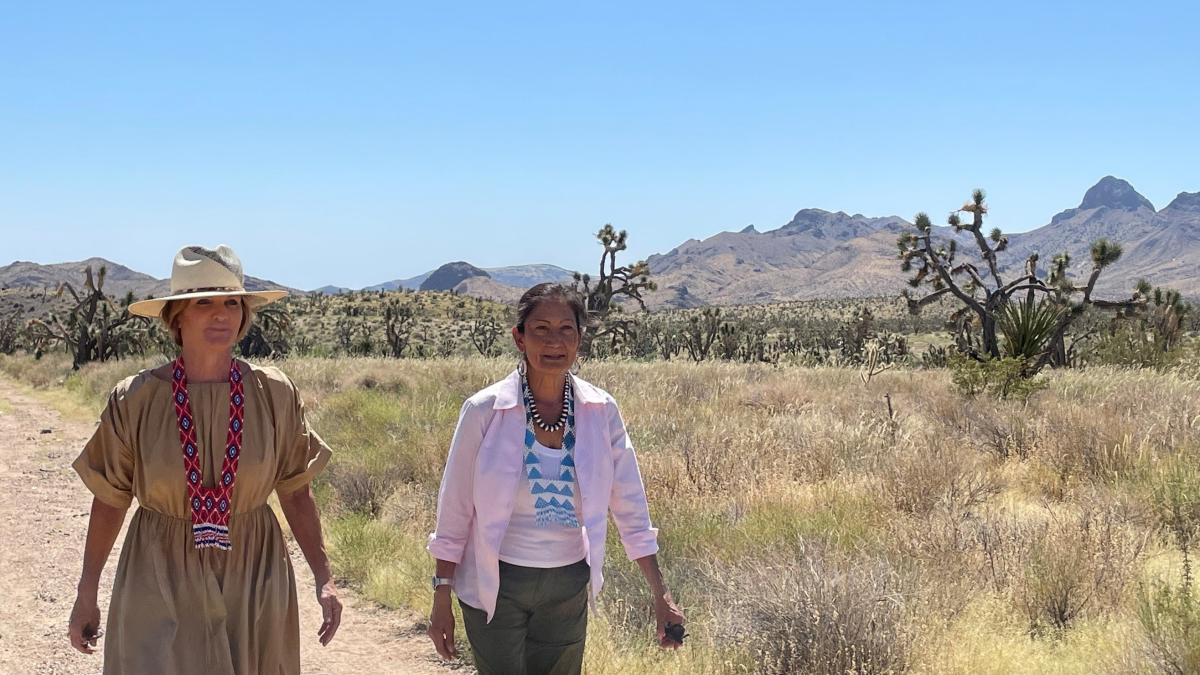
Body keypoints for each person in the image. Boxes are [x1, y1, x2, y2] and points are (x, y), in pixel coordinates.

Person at [67, 244, 341, 674]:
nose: (222, 314)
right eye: (204, 302)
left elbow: (296, 491)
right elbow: (109, 500)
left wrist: (324, 578)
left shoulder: (275, 394)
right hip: (159, 572)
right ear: (178, 318)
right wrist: (87, 591)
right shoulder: (135, 399)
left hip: (254, 573)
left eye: (232, 302)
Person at [426, 283, 685, 674]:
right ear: (519, 337)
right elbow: (455, 510)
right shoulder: (484, 411)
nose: (554, 341)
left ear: (580, 339)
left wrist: (660, 593)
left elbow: (630, 504)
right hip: (496, 583)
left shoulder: (600, 411)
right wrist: (441, 595)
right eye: (541, 329)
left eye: (566, 329)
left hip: (566, 586)